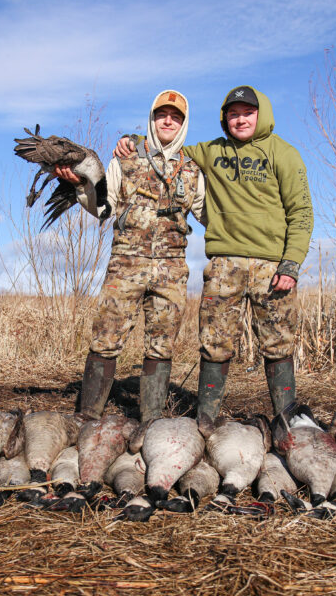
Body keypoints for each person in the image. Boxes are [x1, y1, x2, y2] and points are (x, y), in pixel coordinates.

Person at [115, 85, 313, 420]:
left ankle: (287, 419)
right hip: (224, 265)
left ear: (260, 114)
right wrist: (134, 139)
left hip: (271, 267)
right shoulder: (210, 151)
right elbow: (170, 145)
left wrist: (291, 264)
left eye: (247, 113)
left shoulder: (285, 154)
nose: (240, 120)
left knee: (278, 343)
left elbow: (302, 212)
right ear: (225, 119)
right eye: (233, 114)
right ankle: (206, 420)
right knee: (215, 342)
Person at [55, 89, 205, 422]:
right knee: (106, 338)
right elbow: (103, 207)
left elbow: (208, 214)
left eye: (176, 117)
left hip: (171, 271)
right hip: (125, 266)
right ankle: (88, 415)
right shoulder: (125, 156)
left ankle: (150, 420)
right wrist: (80, 186)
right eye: (162, 115)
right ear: (152, 119)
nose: (168, 121)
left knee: (162, 344)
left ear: (183, 123)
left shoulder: (193, 170)